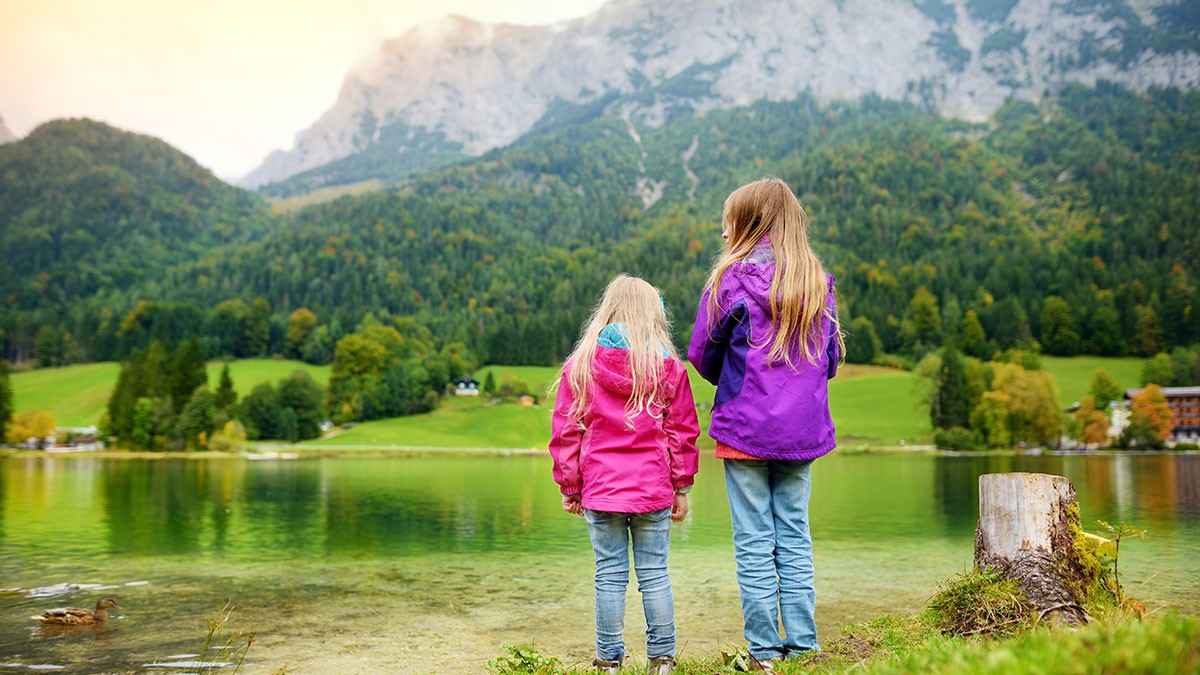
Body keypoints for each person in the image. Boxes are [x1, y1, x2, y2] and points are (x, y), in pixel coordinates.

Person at [687, 177, 843, 671]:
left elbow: (701, 353)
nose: (722, 231)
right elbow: (832, 359)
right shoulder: (817, 283)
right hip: (802, 432)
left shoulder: (729, 281)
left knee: (755, 541)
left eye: (727, 222)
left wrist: (734, 379)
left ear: (747, 224)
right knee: (794, 536)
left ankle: (763, 654)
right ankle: (803, 648)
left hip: (744, 430)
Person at [549, 274, 701, 675]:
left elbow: (567, 431)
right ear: (655, 314)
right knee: (654, 575)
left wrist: (570, 486)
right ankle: (662, 660)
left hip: (600, 490)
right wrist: (682, 487)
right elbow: (682, 433)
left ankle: (608, 662)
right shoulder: (669, 369)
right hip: (653, 488)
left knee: (609, 575)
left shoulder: (581, 367)